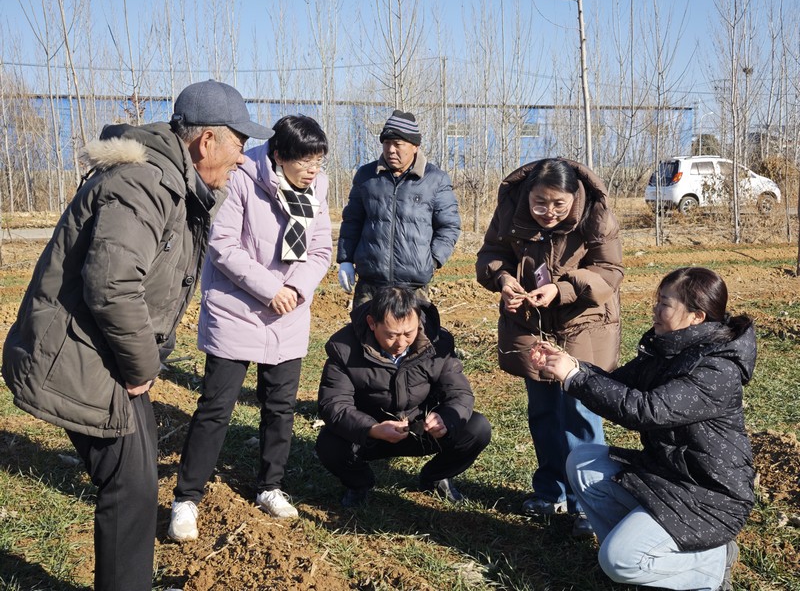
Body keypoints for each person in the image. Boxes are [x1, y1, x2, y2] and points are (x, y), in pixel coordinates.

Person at [1, 80, 272, 591]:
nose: (242, 158)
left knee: (137, 481)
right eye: (239, 144)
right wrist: (143, 367)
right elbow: (112, 284)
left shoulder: (172, 183)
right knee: (128, 487)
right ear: (206, 141)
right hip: (84, 355)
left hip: (107, 353)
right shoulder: (144, 183)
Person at [530, 267, 755, 591]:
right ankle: (646, 568)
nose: (655, 310)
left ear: (696, 316)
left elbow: (647, 410)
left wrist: (574, 378)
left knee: (618, 561)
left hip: (710, 496)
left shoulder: (715, 369)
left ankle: (713, 562)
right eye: (657, 301)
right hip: (666, 475)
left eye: (665, 304)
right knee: (582, 463)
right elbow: (619, 385)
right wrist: (573, 366)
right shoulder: (669, 349)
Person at [167, 115, 332, 541]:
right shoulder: (241, 177)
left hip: (288, 312)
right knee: (215, 407)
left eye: (318, 160)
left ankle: (270, 486)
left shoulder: (318, 186)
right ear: (278, 154)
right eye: (305, 161)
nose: (312, 169)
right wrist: (269, 289)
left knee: (280, 406)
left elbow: (320, 249)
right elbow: (223, 245)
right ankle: (187, 498)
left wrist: (294, 289)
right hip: (237, 309)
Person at [475, 157, 623, 537]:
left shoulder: (596, 214)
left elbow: (610, 271)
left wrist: (562, 289)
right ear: (528, 195)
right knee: (543, 412)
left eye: (559, 204)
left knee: (580, 415)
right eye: (540, 203)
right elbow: (491, 255)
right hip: (533, 325)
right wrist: (504, 280)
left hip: (582, 324)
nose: (549, 212)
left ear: (575, 197)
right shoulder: (510, 210)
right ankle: (550, 492)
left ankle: (589, 502)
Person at [315, 286, 491, 507]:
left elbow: (460, 393)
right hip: (372, 432)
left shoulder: (438, 342)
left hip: (422, 428)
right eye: (391, 335)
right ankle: (359, 484)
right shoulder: (344, 348)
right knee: (329, 444)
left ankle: (436, 476)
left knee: (477, 428)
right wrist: (372, 429)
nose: (401, 343)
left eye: (409, 333)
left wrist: (446, 420)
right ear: (372, 323)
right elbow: (334, 405)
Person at [336, 110, 461, 307]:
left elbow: (449, 226)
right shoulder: (367, 176)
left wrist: (432, 261)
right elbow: (352, 220)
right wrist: (345, 259)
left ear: (415, 146)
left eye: (397, 144)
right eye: (386, 143)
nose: (391, 150)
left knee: (413, 328)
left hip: (413, 287)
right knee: (364, 327)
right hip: (370, 284)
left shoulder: (435, 180)